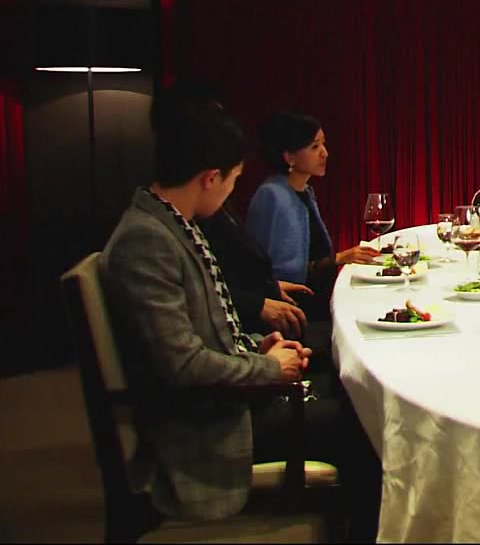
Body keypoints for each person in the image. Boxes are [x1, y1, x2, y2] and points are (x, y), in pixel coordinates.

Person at [101, 106, 382, 540]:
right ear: (210, 177)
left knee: (354, 395)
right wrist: (268, 368)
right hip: (208, 431)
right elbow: (182, 364)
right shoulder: (147, 240)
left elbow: (206, 330)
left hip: (225, 403)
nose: (234, 191)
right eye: (233, 179)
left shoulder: (169, 225)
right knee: (367, 424)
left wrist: (257, 347)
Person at [148, 82, 316, 343]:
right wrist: (266, 359)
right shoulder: (154, 236)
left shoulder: (181, 217)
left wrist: (267, 291)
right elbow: (184, 357)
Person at [245, 112, 378, 318]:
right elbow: (281, 273)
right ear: (289, 157)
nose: (325, 153)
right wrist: (340, 258)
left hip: (317, 299)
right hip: (294, 310)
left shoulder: (304, 191)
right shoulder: (272, 195)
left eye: (323, 144)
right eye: (314, 147)